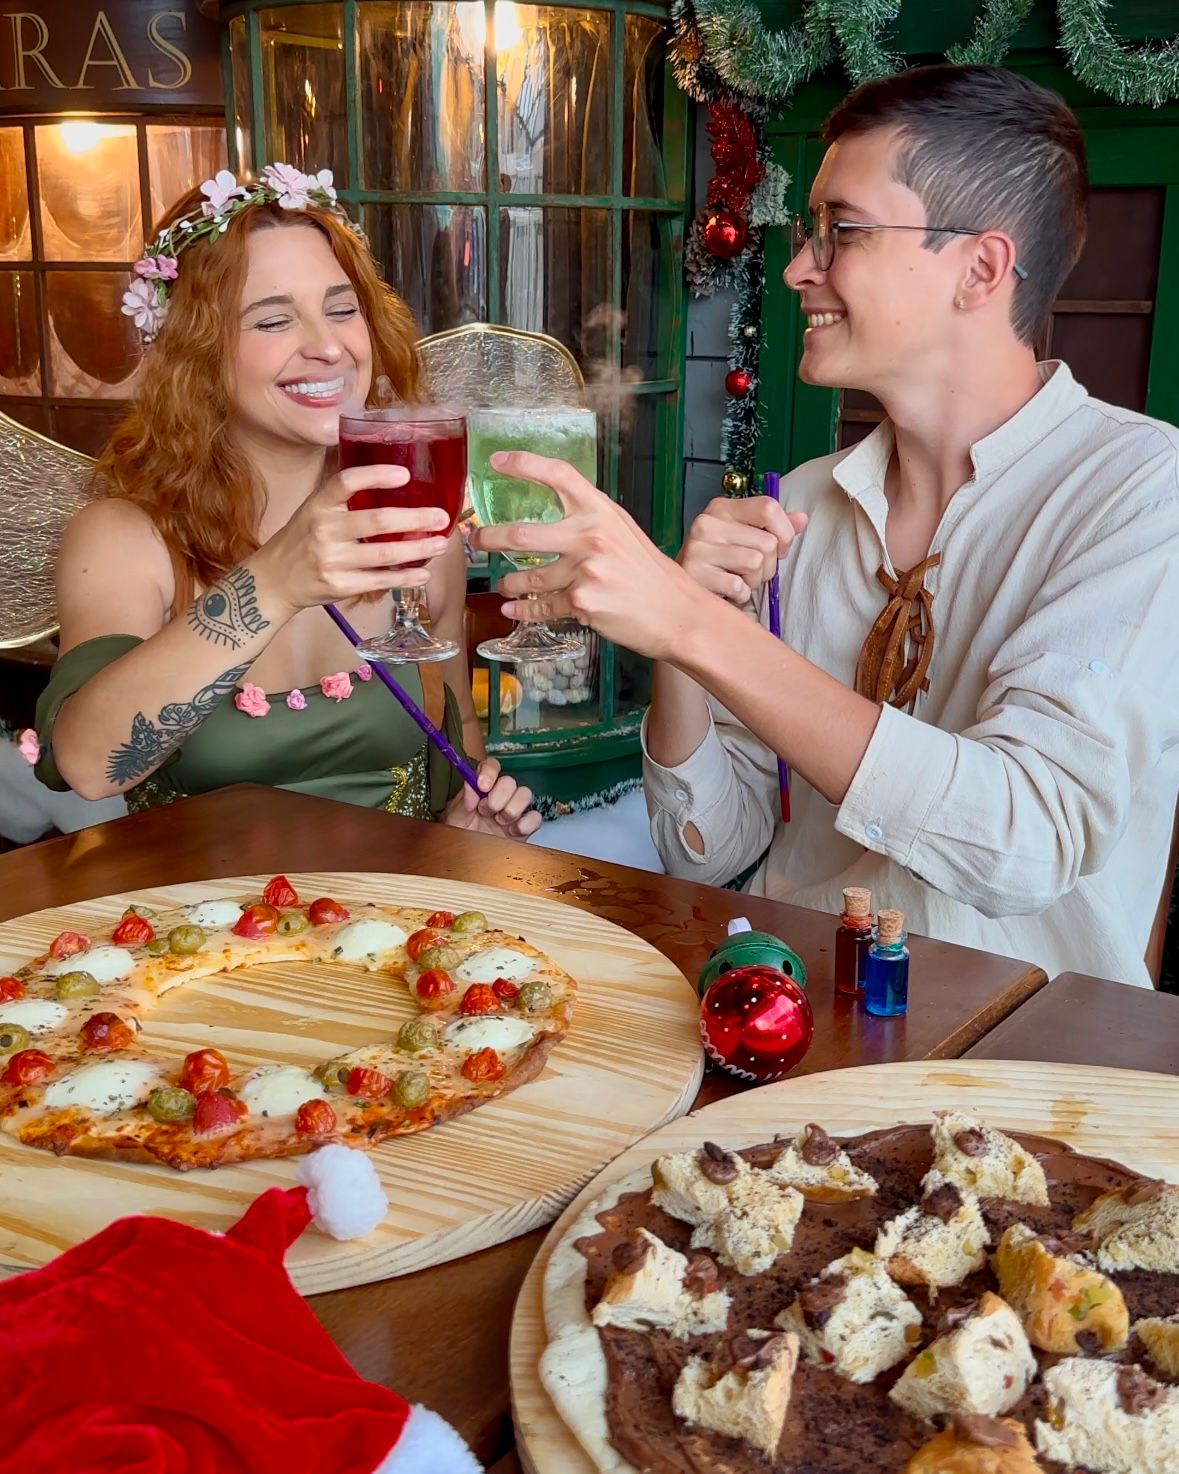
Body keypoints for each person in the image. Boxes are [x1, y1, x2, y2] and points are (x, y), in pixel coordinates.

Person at [473, 65, 1179, 986]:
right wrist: (691, 639)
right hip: (790, 1017)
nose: (799, 266)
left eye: (841, 232)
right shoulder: (806, 496)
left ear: (979, 268)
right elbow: (709, 848)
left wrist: (694, 626)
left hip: (1026, 1064)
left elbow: (1025, 840)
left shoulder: (1139, 489)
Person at [35, 164, 538, 841]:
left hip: (397, 931)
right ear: (195, 351)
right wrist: (275, 579)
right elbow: (91, 764)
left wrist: (467, 822)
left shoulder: (417, 534)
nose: (327, 346)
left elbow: (458, 735)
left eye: (341, 309)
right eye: (273, 320)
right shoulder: (127, 539)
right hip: (202, 939)